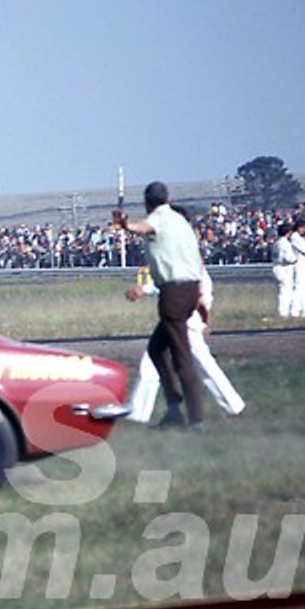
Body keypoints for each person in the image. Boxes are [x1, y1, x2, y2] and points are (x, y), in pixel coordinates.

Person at [114, 182, 205, 430]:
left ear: (146, 202)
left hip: (174, 293)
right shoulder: (180, 220)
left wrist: (126, 226)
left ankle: (195, 419)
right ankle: (174, 410)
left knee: (181, 356)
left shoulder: (159, 219)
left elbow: (144, 228)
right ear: (167, 198)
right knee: (156, 349)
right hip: (190, 288)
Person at [125, 262, 245, 422]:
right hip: (181, 312)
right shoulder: (183, 264)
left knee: (202, 364)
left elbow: (194, 288)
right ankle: (138, 414)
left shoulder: (192, 267)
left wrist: (201, 321)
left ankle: (233, 406)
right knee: (154, 362)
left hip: (186, 316)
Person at [272, 221, 297, 318]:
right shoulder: (284, 243)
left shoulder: (276, 243)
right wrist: (295, 259)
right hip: (284, 268)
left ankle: (281, 312)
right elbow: (289, 258)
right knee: (285, 291)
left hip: (277, 268)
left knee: (280, 291)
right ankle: (283, 313)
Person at [290, 218, 305, 318]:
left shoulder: (300, 238)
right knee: (299, 288)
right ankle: (295, 311)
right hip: (298, 266)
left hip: (304, 265)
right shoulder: (294, 237)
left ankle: (304, 310)